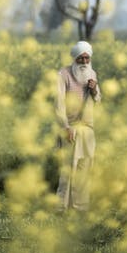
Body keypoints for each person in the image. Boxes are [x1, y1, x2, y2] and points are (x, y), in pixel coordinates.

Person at [55, 40, 101, 211]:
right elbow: (58, 105)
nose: (84, 62)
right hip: (70, 129)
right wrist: (66, 127)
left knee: (84, 168)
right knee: (68, 170)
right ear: (74, 58)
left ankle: (80, 208)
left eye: (86, 58)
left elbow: (98, 100)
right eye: (80, 59)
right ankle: (61, 209)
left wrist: (95, 89)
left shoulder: (92, 74)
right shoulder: (63, 74)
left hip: (87, 129)